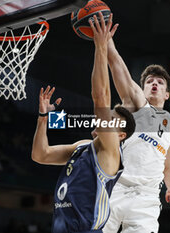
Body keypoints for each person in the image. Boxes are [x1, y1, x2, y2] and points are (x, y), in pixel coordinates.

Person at [31, 13, 135, 233]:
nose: (104, 119)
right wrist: (42, 118)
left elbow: (101, 97)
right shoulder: (81, 147)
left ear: (121, 135)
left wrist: (101, 47)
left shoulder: (110, 151)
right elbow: (41, 155)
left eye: (111, 119)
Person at [102, 38, 170, 233]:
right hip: (116, 189)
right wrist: (107, 41)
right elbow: (118, 67)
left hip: (146, 200)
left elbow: (167, 162)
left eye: (160, 82)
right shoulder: (138, 104)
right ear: (143, 89)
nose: (154, 84)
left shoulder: (169, 122)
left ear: (167, 94)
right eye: (149, 82)